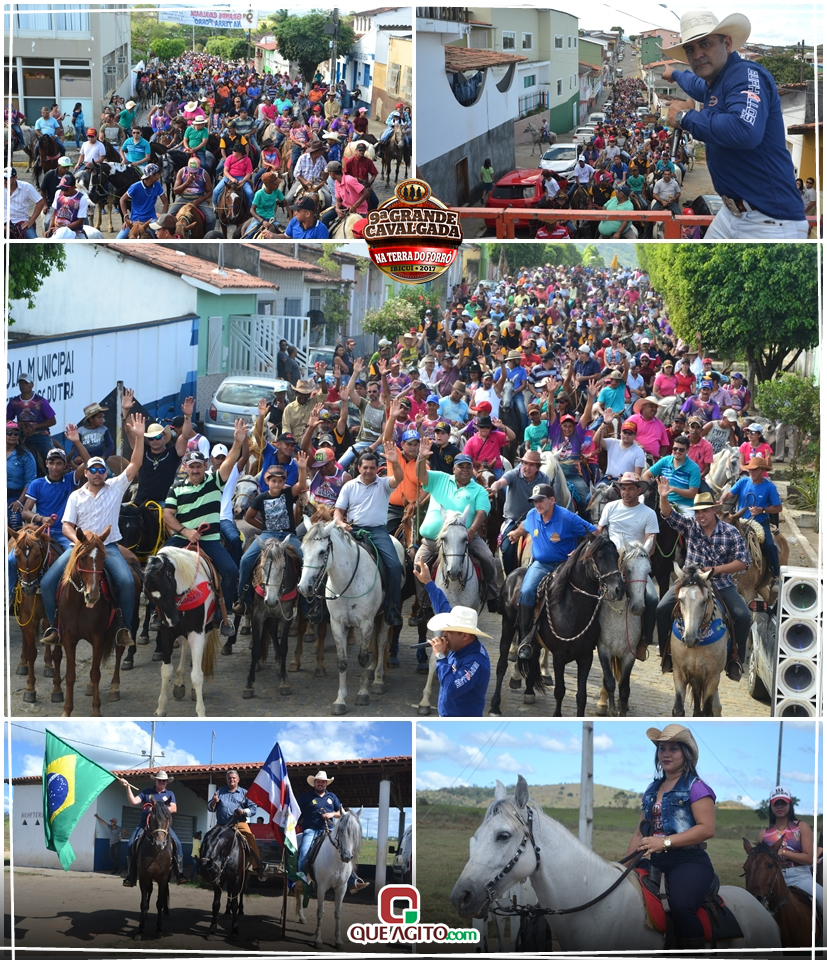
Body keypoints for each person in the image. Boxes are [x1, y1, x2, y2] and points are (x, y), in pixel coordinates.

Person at [661, 11, 808, 239]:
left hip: (769, 221)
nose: (698, 54)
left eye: (705, 44)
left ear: (727, 43)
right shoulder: (716, 83)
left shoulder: (746, 74)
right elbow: (696, 84)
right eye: (690, 49)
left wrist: (684, 118)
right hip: (731, 214)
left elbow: (744, 130)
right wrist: (676, 74)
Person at [40, 414, 147, 648]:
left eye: (101, 470)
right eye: (93, 470)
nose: (97, 473)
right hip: (78, 548)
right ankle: (55, 627)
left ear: (106, 473)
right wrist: (77, 541)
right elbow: (67, 525)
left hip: (108, 547)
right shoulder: (75, 496)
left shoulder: (116, 488)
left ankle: (123, 628)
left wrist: (139, 437)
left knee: (127, 582)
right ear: (85, 473)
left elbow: (135, 464)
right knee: (48, 582)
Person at [626, 725, 717, 952]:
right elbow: (640, 832)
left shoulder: (697, 788)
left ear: (685, 754)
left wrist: (664, 842)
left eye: (673, 749)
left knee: (682, 905)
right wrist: (624, 867)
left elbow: (707, 829)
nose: (666, 754)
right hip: (651, 859)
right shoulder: (651, 789)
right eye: (662, 748)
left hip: (689, 861)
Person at [162, 418, 249, 638]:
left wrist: (237, 443)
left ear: (205, 467)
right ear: (186, 468)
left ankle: (224, 613)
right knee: (157, 565)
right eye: (191, 466)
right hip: (183, 539)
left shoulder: (215, 481)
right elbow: (168, 515)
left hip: (210, 539)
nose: (195, 470)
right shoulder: (175, 489)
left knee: (230, 571)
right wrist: (185, 531)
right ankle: (160, 611)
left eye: (199, 466)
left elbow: (229, 463)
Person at [655, 482, 750, 681]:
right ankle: (667, 654)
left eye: (705, 511)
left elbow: (743, 562)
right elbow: (669, 515)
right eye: (698, 512)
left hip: (721, 583)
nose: (701, 516)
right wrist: (663, 497)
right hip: (689, 582)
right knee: (662, 608)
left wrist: (715, 570)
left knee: (743, 616)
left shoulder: (730, 532)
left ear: (714, 510)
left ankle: (736, 659)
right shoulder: (690, 526)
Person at [508, 482, 597, 657]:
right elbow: (525, 525)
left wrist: (580, 550)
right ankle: (525, 639)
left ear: (552, 500)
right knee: (526, 591)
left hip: (565, 565)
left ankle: (591, 634)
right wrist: (516, 533)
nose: (537, 504)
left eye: (541, 500)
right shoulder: (533, 514)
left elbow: (595, 532)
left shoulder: (567, 517)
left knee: (587, 591)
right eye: (535, 501)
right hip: (541, 565)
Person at [414, 447, 499, 612]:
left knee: (488, 557)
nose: (465, 470)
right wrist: (421, 458)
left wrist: (473, 530)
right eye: (461, 466)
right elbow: (420, 475)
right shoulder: (440, 479)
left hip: (464, 538)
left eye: (468, 467)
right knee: (417, 565)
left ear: (472, 470)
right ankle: (423, 603)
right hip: (433, 541)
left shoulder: (479, 490)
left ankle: (493, 595)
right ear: (454, 469)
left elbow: (481, 512)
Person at [333, 448, 405, 626]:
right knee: (327, 559)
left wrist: (395, 462)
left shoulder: (384, 484)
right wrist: (341, 524)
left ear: (376, 469)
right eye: (365, 467)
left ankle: (392, 609)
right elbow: (338, 512)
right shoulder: (349, 486)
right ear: (359, 468)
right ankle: (321, 607)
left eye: (372, 468)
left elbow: (399, 478)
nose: (369, 471)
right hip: (352, 529)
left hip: (377, 532)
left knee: (395, 566)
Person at [234, 453, 309, 614]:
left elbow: (301, 483)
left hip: (288, 536)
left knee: (307, 560)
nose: (276, 484)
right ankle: (242, 599)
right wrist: (263, 528)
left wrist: (302, 468)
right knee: (246, 560)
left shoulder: (288, 494)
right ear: (267, 481)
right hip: (267, 534)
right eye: (273, 481)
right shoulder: (260, 498)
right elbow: (249, 517)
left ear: (284, 483)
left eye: (280, 481)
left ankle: (306, 603)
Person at [596, 473, 660, 660]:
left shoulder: (648, 513)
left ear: (639, 490)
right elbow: (599, 531)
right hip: (611, 562)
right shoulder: (610, 507)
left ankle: (643, 641)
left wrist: (636, 553)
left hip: (635, 563)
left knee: (652, 598)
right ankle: (590, 634)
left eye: (631, 488)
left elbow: (652, 545)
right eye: (623, 488)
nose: (626, 492)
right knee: (589, 591)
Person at [415, 561, 491, 717]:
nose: (444, 635)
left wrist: (441, 657)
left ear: (465, 635)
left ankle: (492, 593)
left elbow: (451, 688)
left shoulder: (476, 663)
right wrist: (429, 582)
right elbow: (442, 606)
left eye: (449, 632)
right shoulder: (458, 642)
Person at [296, 771, 369, 894]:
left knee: (344, 850)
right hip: (310, 830)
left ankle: (352, 883)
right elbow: (296, 810)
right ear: (314, 783)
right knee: (304, 851)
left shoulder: (332, 797)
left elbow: (342, 813)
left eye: (323, 782)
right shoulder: (305, 797)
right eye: (318, 781)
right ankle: (300, 879)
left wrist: (332, 814)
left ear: (326, 784)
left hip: (328, 829)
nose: (320, 784)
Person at [487, 449, 551, 576]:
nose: (527, 468)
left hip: (536, 520)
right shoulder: (513, 474)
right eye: (525, 463)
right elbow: (501, 482)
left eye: (532, 465)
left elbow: (547, 499)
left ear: (538, 467)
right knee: (507, 549)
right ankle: (511, 578)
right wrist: (494, 488)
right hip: (513, 520)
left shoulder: (544, 479)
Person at [761, 786, 823, 912]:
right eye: (776, 803)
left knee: (823, 898)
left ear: (790, 804)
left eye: (783, 803)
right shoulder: (764, 833)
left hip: (800, 877)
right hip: (773, 879)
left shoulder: (801, 826)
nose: (779, 807)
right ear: (771, 806)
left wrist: (783, 852)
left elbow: (809, 858)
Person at [119, 771, 186, 886]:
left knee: (178, 844)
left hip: (163, 828)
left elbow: (174, 808)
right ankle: (131, 876)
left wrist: (157, 811)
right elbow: (133, 802)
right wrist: (127, 787)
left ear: (167, 782)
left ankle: (179, 874)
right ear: (155, 781)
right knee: (130, 845)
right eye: (160, 780)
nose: (162, 782)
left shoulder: (170, 794)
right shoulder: (146, 792)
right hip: (144, 825)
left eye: (164, 781)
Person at [719, 457, 782, 577]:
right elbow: (729, 493)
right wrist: (722, 499)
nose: (751, 472)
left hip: (760, 521)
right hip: (740, 520)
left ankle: (775, 574)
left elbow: (778, 508)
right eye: (750, 470)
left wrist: (762, 510)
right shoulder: (743, 481)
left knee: (769, 544)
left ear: (762, 470)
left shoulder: (770, 487)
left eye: (755, 470)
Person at [208, 769, 264, 876]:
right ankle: (205, 863)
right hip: (221, 824)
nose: (231, 780)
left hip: (239, 823)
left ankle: (257, 865)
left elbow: (253, 809)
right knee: (209, 838)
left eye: (234, 778)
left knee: (250, 838)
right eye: (229, 778)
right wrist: (214, 801)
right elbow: (210, 808)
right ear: (227, 780)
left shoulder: (245, 793)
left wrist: (243, 811)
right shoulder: (220, 791)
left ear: (238, 780)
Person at [117, 164, 167, 239]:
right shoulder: (135, 187)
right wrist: (126, 217)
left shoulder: (157, 185)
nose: (159, 176)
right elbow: (122, 200)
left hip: (152, 220)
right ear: (151, 176)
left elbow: (166, 202)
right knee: (118, 240)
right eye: (158, 174)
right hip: (135, 221)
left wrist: (161, 219)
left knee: (163, 238)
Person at [4, 167, 45, 238]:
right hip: (3, 221)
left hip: (22, 221)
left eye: (6, 178)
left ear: (15, 178)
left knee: (34, 241)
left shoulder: (26, 187)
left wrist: (31, 220)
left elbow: (40, 202)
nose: (4, 181)